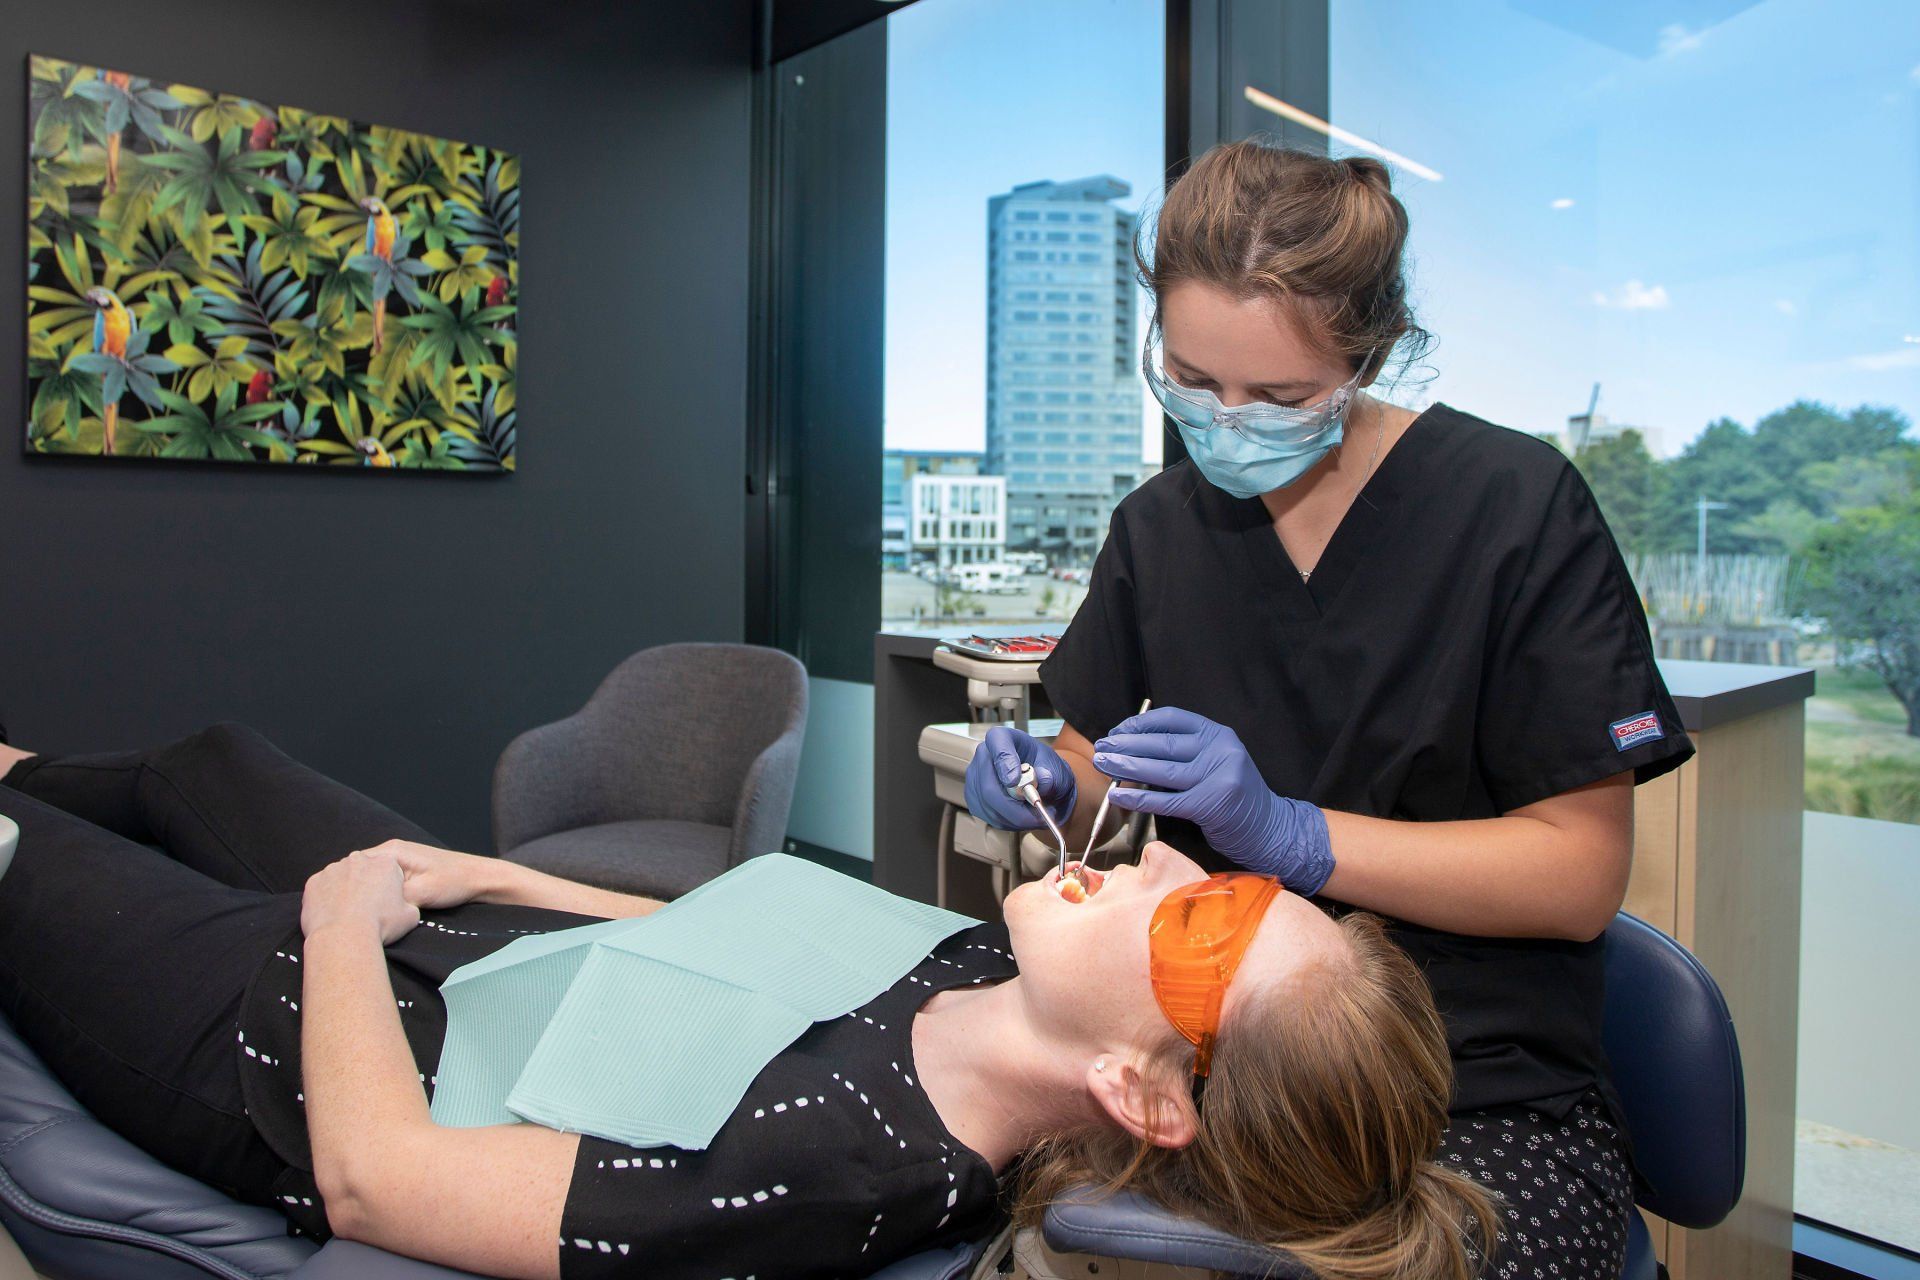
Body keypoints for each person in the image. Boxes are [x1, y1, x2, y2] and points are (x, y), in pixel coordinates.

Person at [0, 723, 1495, 1280]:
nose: (1163, 853)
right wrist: (483, 874)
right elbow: (724, 934)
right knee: (210, 764)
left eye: (1207, 919)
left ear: (1145, 1092)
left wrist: (335, 925)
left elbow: (377, 1178)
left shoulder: (834, 1169)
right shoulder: (982, 969)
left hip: (295, 1043)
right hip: (463, 944)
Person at [963, 140, 1692, 1280]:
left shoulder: (1513, 509)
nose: (1229, 421)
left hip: (1467, 1087)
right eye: (1195, 382)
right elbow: (1094, 751)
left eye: (1283, 395)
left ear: (1371, 353)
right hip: (1196, 1065)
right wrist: (1054, 780)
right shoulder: (1161, 528)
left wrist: (1293, 833)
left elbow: (1576, 874)